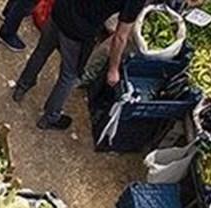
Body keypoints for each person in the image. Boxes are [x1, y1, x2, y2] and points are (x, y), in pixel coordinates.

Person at [12, 0, 146, 130]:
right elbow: (120, 37)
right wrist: (113, 69)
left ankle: (21, 87)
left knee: (41, 51)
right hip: (78, 32)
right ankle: (50, 117)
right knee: (69, 76)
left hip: (60, 11)